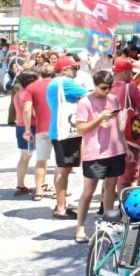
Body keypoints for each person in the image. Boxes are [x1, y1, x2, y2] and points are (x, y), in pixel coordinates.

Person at [73, 71, 124, 243]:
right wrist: (100, 118)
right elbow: (81, 129)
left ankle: (108, 224)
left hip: (114, 151)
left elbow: (117, 124)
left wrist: (124, 146)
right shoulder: (85, 102)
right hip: (94, 153)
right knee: (89, 191)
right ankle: (80, 227)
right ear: (95, 85)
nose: (106, 91)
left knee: (110, 188)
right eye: (103, 88)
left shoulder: (113, 99)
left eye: (109, 87)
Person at [47, 55, 88, 220]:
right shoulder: (66, 82)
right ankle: (61, 208)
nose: (76, 71)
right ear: (64, 69)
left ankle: (60, 204)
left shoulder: (54, 83)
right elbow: (91, 96)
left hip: (59, 130)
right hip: (65, 132)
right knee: (63, 170)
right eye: (74, 67)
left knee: (63, 169)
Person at [112, 57, 140, 193]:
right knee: (127, 176)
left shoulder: (108, 85)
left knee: (114, 174)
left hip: (111, 135)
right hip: (129, 136)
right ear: (125, 72)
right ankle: (124, 208)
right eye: (130, 71)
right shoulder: (130, 87)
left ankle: (105, 206)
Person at [22, 64, 54, 201]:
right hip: (60, 128)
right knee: (61, 164)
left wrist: (27, 129)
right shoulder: (60, 85)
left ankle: (39, 191)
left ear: (40, 74)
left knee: (41, 160)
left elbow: (27, 110)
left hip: (42, 128)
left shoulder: (32, 87)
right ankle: (59, 191)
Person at [13, 71, 39, 196]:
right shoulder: (28, 94)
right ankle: (22, 185)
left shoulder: (18, 93)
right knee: (27, 157)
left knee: (24, 157)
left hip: (20, 126)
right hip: (29, 127)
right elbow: (29, 112)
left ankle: (20, 184)